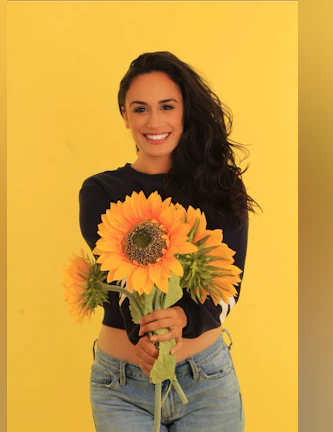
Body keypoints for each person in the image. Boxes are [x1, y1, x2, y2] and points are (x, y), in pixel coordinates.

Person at [78, 51, 260, 432]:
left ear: (184, 112)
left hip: (207, 384)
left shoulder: (219, 187)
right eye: (140, 109)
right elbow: (120, 281)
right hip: (122, 387)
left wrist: (184, 318)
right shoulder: (100, 192)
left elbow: (230, 285)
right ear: (125, 116)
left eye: (167, 106)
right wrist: (140, 335)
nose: (155, 121)